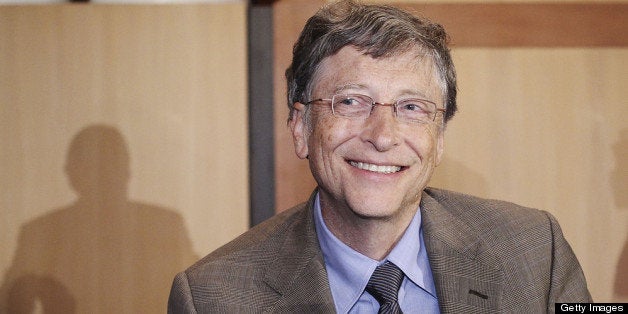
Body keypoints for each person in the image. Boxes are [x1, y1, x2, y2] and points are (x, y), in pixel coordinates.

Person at [168, 0, 591, 312]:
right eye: (351, 102)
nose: (383, 137)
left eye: (412, 107)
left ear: (439, 137)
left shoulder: (535, 252)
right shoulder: (211, 297)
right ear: (301, 128)